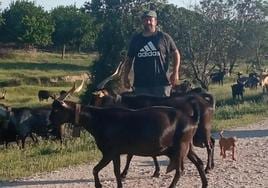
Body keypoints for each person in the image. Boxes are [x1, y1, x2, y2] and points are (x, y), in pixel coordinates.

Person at [123, 10, 181, 97]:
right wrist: (125, 76)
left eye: (151, 20)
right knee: (142, 110)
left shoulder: (164, 37)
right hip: (141, 85)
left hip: (161, 84)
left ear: (156, 22)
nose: (148, 22)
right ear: (143, 22)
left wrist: (175, 72)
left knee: (162, 110)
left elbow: (176, 53)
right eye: (146, 20)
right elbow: (129, 59)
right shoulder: (136, 39)